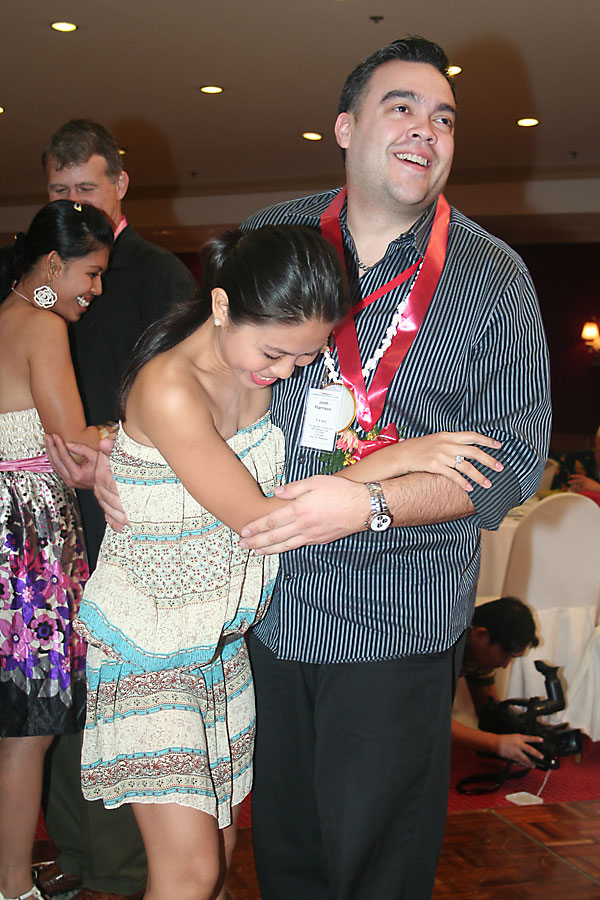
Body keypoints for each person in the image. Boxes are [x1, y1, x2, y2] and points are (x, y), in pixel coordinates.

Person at [97, 38, 551, 900]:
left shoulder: (494, 278)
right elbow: (195, 359)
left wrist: (368, 504)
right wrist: (131, 452)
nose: (425, 129)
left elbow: (515, 462)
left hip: (394, 618)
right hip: (263, 611)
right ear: (345, 127)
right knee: (289, 859)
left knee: (375, 865)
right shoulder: (277, 232)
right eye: (401, 107)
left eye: (444, 117)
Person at [73, 225, 351, 900]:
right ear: (222, 305)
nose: (285, 372)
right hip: (149, 649)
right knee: (190, 874)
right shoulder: (171, 387)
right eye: (275, 352)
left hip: (216, 648)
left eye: (306, 356)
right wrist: (401, 467)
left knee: (217, 856)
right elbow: (262, 521)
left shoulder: (250, 370)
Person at [37, 120, 198, 900]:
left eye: (86, 189)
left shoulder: (159, 275)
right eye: (59, 192)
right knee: (57, 688)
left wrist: (100, 441)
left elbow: (178, 394)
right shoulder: (38, 275)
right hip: (40, 515)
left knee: (119, 685)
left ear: (120, 185)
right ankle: (77, 854)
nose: (73, 204)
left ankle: (126, 866)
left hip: (125, 509)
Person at [0, 200, 112, 900]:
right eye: (90, 273)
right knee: (26, 733)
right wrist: (145, 428)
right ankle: (13, 888)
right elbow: (73, 444)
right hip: (26, 546)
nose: (95, 289)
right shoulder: (40, 325)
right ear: (51, 264)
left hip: (14, 537)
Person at [452, 597, 544, 767]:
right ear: (480, 634)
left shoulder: (476, 649)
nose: (505, 665)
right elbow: (430, 721)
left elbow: (489, 710)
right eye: (505, 655)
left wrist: (523, 732)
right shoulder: (441, 648)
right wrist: (496, 743)